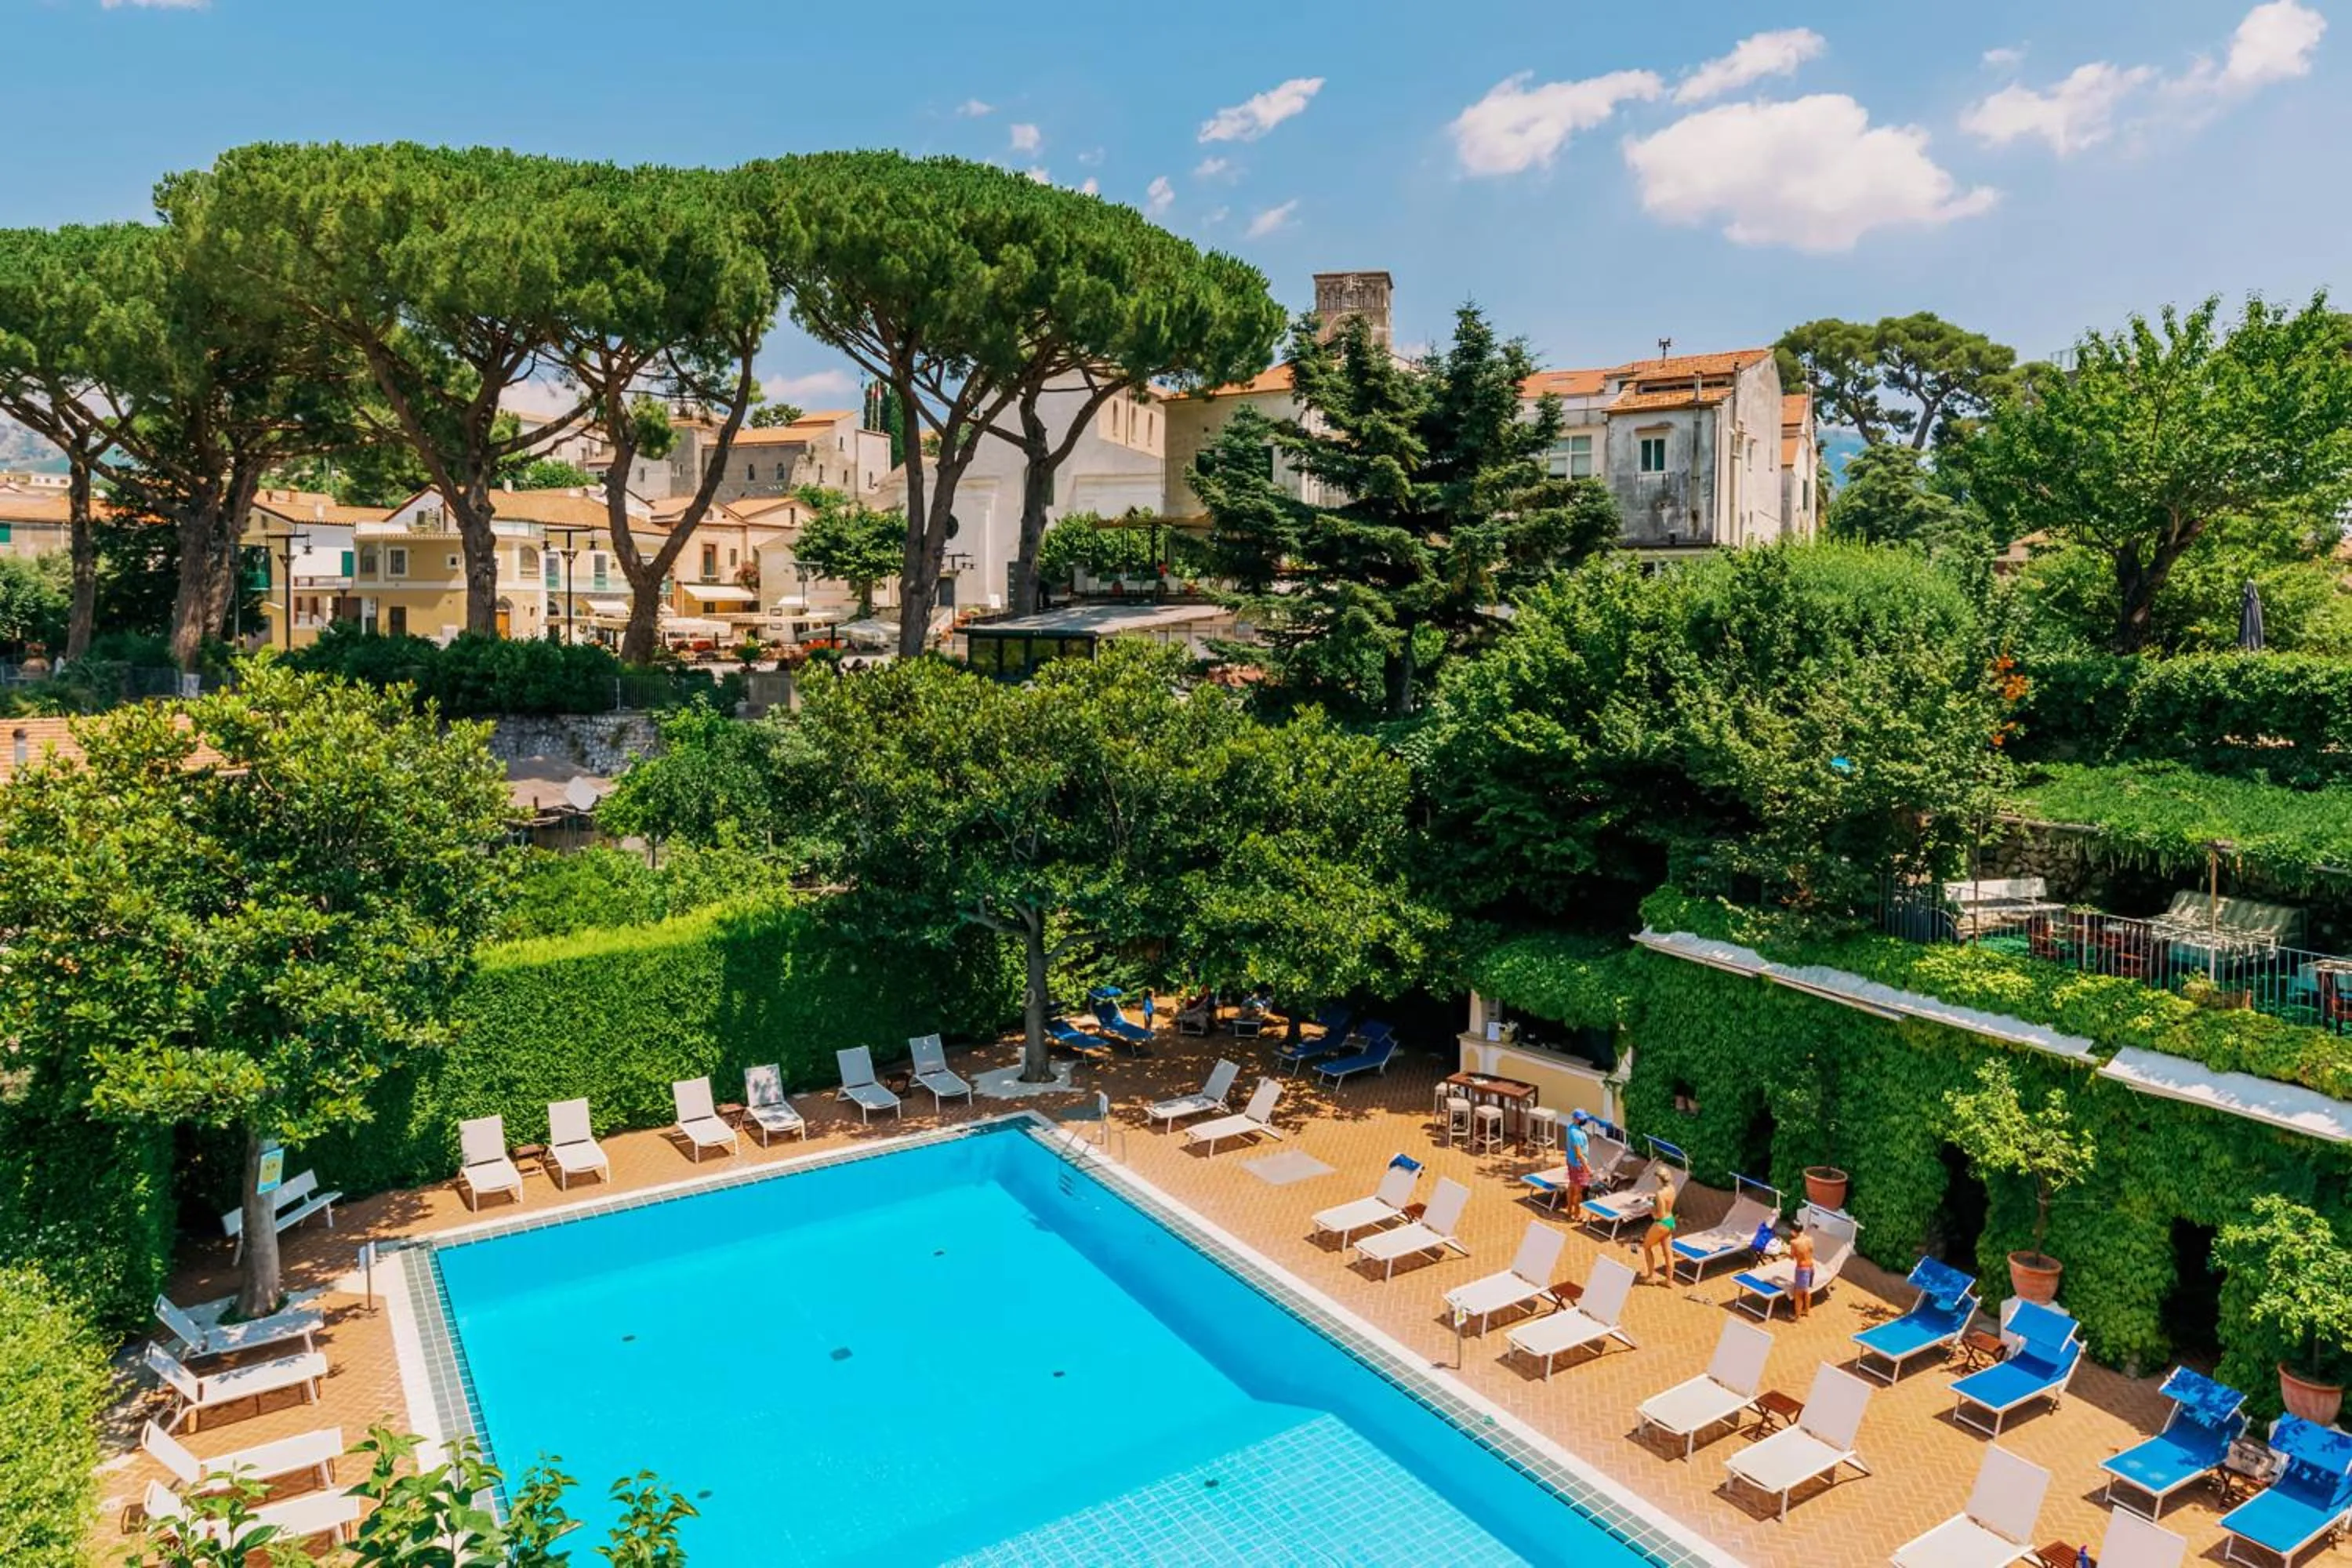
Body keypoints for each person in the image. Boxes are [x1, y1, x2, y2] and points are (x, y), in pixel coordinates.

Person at [1640, 1168, 1679, 1283]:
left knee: (1646, 1246)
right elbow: (1667, 1208)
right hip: (1671, 1221)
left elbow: (1660, 1216)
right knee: (1668, 1252)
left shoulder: (1660, 1194)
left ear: (1659, 1179)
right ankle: (1669, 1280)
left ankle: (1651, 1277)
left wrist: (1652, 1210)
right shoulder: (1672, 1188)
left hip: (1662, 1224)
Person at [1788, 1221, 1817, 1320]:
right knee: (1807, 1291)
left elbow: (1792, 1257)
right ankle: (1806, 1311)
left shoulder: (1794, 1242)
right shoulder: (1810, 1239)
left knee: (1799, 1294)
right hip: (1811, 1267)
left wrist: (1785, 1251)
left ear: (1793, 1231)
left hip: (1802, 1270)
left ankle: (1797, 1316)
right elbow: (1811, 1250)